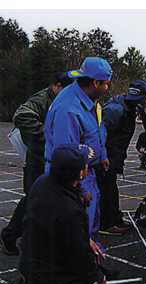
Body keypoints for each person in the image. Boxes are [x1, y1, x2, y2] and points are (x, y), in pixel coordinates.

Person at [18, 143, 115, 284]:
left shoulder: (43, 182)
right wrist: (95, 276)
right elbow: (77, 256)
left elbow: (54, 226)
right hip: (51, 272)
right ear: (80, 172)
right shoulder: (69, 211)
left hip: (33, 260)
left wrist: (85, 239)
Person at [0, 73, 73, 255]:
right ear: (58, 86)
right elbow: (22, 116)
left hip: (47, 159)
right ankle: (9, 235)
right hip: (38, 161)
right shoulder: (42, 99)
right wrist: (47, 140)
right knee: (34, 200)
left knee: (44, 200)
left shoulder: (58, 99)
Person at [44, 57, 112, 246]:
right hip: (73, 179)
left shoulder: (88, 99)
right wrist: (81, 189)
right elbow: (66, 158)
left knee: (90, 223)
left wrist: (101, 156)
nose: (108, 88)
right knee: (78, 228)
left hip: (85, 171)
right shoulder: (69, 110)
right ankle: (85, 269)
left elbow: (95, 130)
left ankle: (92, 263)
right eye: (106, 84)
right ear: (95, 83)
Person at [97, 80, 146, 235]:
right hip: (105, 157)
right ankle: (105, 224)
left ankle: (115, 218)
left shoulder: (131, 107)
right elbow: (100, 135)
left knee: (112, 189)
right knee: (105, 190)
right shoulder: (115, 110)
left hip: (114, 155)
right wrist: (102, 156)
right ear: (138, 97)